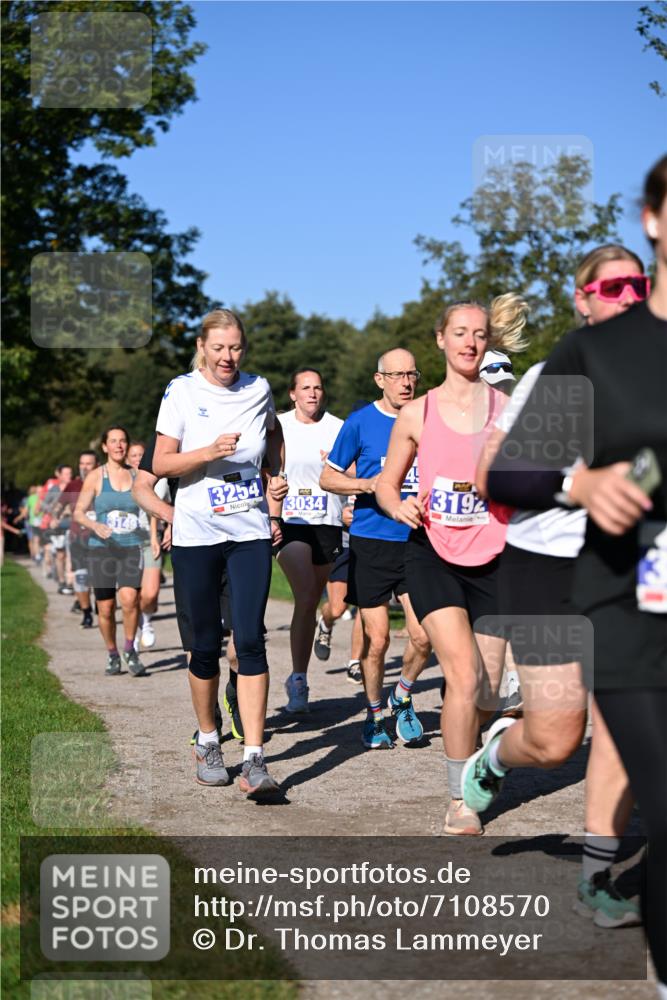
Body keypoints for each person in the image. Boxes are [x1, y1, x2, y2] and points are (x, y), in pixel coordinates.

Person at [480, 157, 667, 997]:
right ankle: (496, 752)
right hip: (548, 567)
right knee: (555, 737)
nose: (626, 298)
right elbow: (503, 472)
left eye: (637, 289)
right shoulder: (570, 365)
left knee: (622, 736)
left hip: (629, 582)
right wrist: (578, 480)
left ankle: (595, 868)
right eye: (612, 290)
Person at [375, 295, 528, 833]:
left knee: (486, 690)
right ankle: (462, 800)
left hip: (494, 557)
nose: (469, 341)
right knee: (461, 678)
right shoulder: (416, 412)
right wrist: (400, 504)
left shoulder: (509, 411)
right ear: (440, 339)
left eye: (479, 334)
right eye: (459, 332)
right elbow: (386, 486)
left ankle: (482, 753)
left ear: (488, 342)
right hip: (432, 553)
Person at [152, 308, 287, 798]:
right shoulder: (181, 391)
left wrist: (274, 476)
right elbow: (161, 462)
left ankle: (254, 758)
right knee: (205, 646)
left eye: (235, 348)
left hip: (249, 531)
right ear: (202, 347)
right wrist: (206, 452)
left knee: (250, 640)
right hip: (195, 535)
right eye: (219, 348)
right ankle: (209, 740)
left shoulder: (259, 389)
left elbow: (274, 435)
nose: (228, 356)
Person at [321, 349, 431, 749]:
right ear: (379, 379)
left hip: (418, 543)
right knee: (379, 639)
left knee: (423, 636)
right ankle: (373, 714)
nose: (406, 382)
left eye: (412, 374)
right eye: (398, 375)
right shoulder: (360, 423)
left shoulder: (427, 419)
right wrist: (370, 485)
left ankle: (401, 697)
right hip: (372, 542)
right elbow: (328, 479)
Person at [273, 368, 344, 713]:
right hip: (291, 521)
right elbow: (262, 465)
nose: (313, 393)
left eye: (318, 387)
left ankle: (321, 633)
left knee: (323, 601)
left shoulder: (338, 428)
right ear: (293, 393)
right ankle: (299, 679)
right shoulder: (278, 425)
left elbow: (356, 472)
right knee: (304, 593)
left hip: (328, 523)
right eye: (305, 388)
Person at [73, 427, 146, 677]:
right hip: (101, 549)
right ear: (104, 447)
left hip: (130, 547)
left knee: (130, 600)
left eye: (122, 441)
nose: (118, 446)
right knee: (105, 608)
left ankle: (130, 649)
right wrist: (95, 525)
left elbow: (152, 505)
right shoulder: (95, 476)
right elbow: (78, 512)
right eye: (113, 442)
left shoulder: (138, 475)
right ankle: (112, 653)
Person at [127, 440, 167, 650]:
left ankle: (147, 620)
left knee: (150, 593)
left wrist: (155, 535)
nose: (137, 459)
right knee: (130, 594)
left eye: (141, 455)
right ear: (127, 459)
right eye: (133, 456)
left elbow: (162, 507)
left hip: (151, 539)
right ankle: (131, 634)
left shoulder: (159, 479)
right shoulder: (121, 481)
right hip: (126, 544)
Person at [56, 450, 99, 628]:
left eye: (88, 464)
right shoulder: (73, 485)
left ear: (96, 465)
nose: (84, 467)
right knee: (81, 576)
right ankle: (86, 612)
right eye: (82, 464)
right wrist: (55, 516)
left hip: (99, 538)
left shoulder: (104, 482)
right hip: (77, 538)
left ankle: (101, 602)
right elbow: (60, 504)